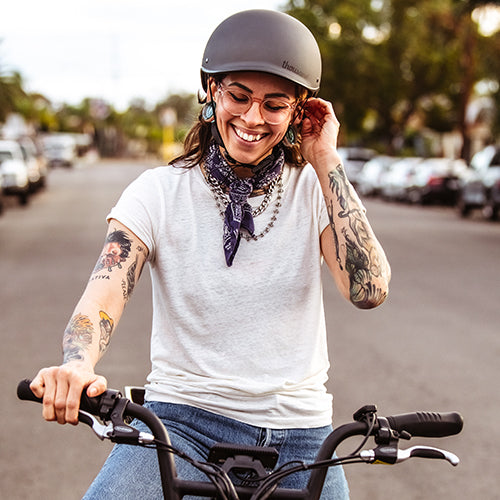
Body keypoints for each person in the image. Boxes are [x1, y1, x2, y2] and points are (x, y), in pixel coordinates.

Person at [30, 9, 390, 499]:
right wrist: (76, 363)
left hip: (301, 437)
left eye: (276, 104)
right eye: (238, 96)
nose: (253, 118)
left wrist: (325, 157)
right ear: (211, 90)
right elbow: (103, 295)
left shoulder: (313, 189)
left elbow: (369, 290)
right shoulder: (157, 192)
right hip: (181, 427)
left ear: (299, 111)